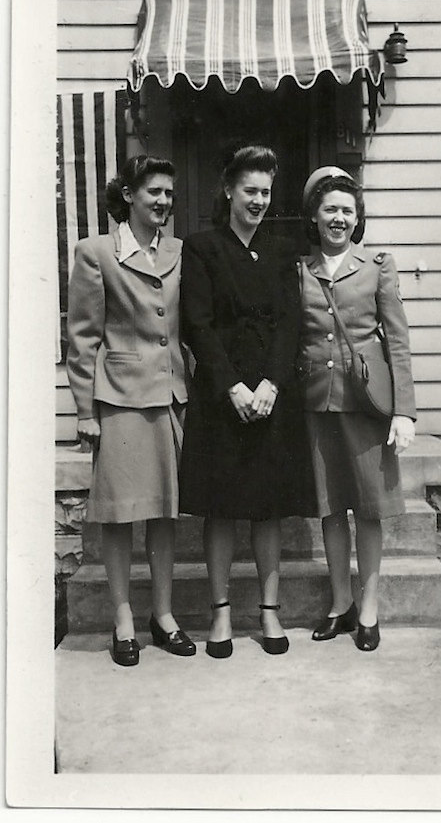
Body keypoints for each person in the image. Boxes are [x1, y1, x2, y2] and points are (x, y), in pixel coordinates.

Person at [66, 154, 196, 667]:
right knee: (121, 516)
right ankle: (123, 619)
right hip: (118, 396)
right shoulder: (96, 252)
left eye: (168, 193)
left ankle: (162, 617)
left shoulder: (182, 252)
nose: (163, 201)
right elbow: (82, 338)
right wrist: (84, 411)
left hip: (169, 397)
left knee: (164, 510)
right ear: (128, 196)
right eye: (153, 192)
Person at [179, 145, 302, 658]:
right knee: (222, 507)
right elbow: (198, 325)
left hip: (272, 396)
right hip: (221, 393)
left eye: (265, 192)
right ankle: (222, 612)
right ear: (228, 189)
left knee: (268, 507)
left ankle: (269, 612)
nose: (258, 200)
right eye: (249, 190)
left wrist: (271, 383)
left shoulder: (280, 250)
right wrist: (234, 387)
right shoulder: (202, 248)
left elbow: (291, 321)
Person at [298, 166, 416, 652]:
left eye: (348, 210)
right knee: (329, 509)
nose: (339, 218)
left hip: (366, 404)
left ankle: (368, 609)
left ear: (357, 217)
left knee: (368, 508)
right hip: (316, 402)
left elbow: (400, 342)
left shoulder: (376, 267)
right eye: (330, 209)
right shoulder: (298, 269)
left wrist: (404, 411)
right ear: (315, 216)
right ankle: (340, 604)